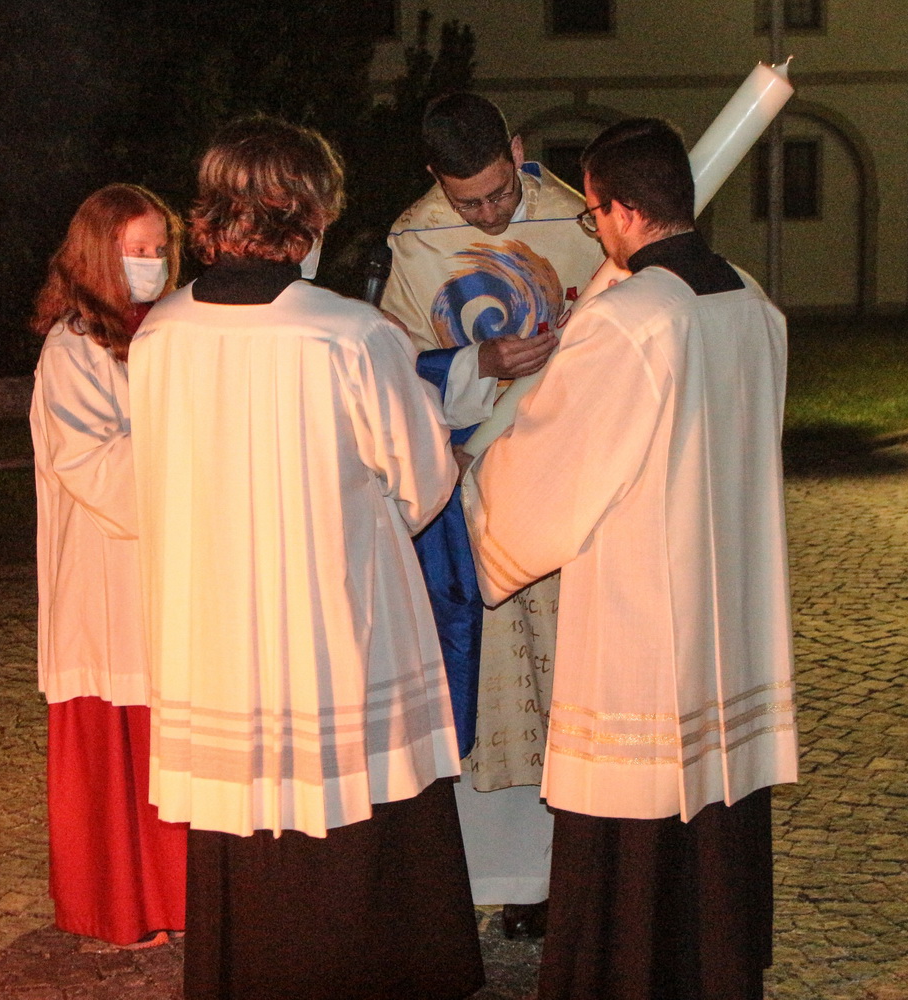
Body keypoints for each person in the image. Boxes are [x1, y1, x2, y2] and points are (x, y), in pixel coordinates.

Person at [128, 116, 483, 1000]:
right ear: (309, 215)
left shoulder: (161, 333)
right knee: (357, 799)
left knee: (246, 815)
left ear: (214, 215)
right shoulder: (347, 333)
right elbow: (422, 478)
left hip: (214, 626)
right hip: (334, 621)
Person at [462, 117, 798, 1000]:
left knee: (638, 802)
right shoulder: (754, 303)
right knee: (712, 799)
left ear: (616, 210)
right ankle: (711, 968)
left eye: (594, 214)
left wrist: (480, 483)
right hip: (733, 606)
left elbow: (558, 463)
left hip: (646, 614)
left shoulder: (632, 319)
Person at [380, 91, 605, 936]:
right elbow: (394, 371)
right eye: (467, 202)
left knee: (570, 689)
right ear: (436, 181)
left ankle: (566, 877)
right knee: (494, 694)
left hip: (570, 484)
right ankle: (497, 878)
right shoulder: (414, 240)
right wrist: (478, 358)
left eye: (500, 193)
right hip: (475, 488)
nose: (489, 214)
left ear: (517, 150)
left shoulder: (583, 221)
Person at [28, 183, 187, 947]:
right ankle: (122, 904)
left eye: (161, 250)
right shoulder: (72, 348)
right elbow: (90, 462)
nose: (153, 265)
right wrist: (186, 451)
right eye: (137, 251)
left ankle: (184, 897)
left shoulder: (172, 331)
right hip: (107, 568)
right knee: (121, 736)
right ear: (98, 254)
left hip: (168, 570)